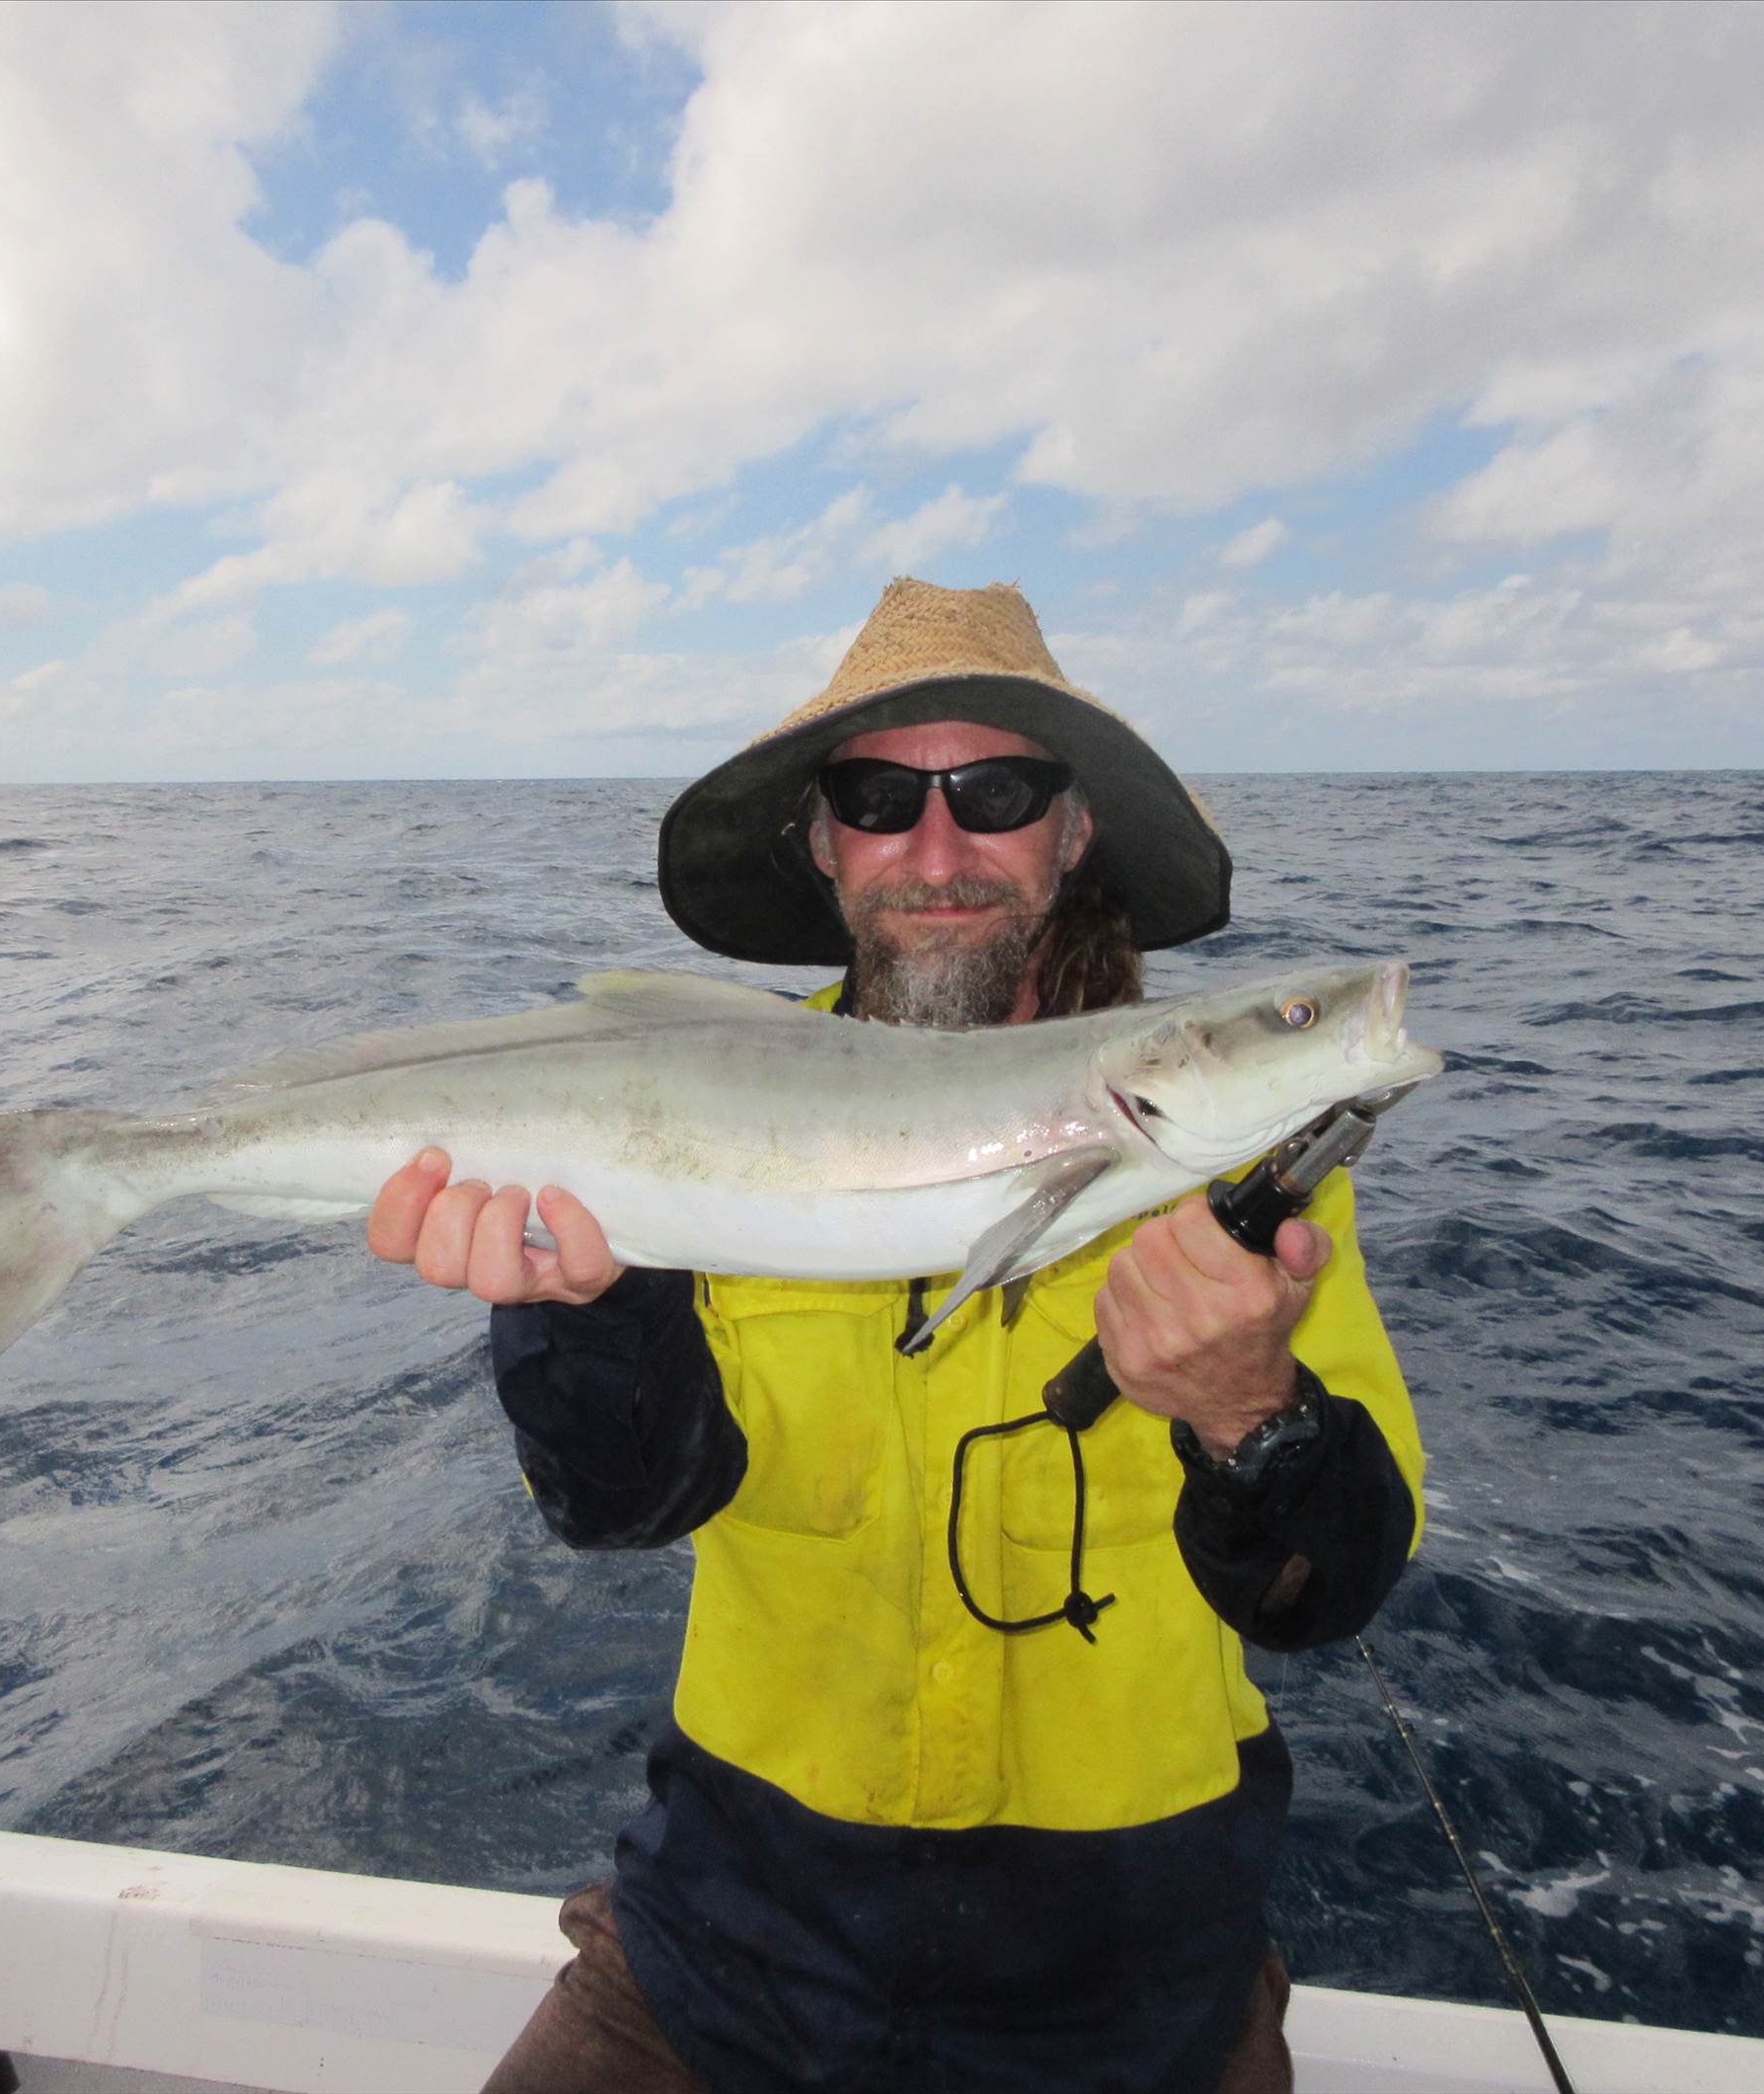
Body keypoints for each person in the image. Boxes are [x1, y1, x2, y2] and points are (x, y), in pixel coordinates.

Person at [367, 579, 1425, 2094]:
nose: (939, 850)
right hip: (728, 1949)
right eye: (880, 796)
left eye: (997, 793)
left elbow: (1332, 1591)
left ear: (1073, 835)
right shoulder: (669, 1110)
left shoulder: (1247, 1190)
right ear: (823, 841)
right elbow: (622, 1506)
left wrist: (1255, 1415)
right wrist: (577, 1310)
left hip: (1131, 1997)